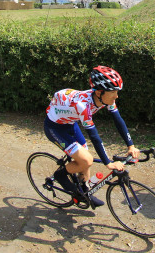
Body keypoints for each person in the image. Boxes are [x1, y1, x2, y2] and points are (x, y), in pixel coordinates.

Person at [44, 65, 139, 207]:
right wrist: (108, 162)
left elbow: (118, 120)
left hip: (71, 123)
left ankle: (84, 191)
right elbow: (94, 136)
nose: (116, 96)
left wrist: (130, 145)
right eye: (113, 93)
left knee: (85, 159)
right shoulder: (83, 106)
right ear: (100, 92)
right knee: (86, 160)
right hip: (55, 128)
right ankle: (60, 175)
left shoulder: (106, 99)